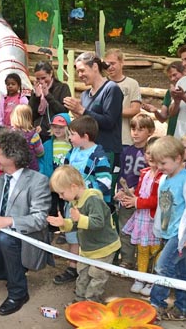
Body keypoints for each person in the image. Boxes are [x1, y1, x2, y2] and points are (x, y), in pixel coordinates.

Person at [0, 130, 51, 316]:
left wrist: (8, 221)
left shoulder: (38, 181)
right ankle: (16, 271)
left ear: (12, 155)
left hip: (27, 240)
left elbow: (40, 220)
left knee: (5, 238)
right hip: (1, 238)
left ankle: (18, 293)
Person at [148, 136, 186, 323]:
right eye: (157, 163)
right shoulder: (165, 178)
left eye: (163, 163)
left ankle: (156, 305)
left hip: (180, 236)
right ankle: (185, 308)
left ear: (178, 158)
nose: (160, 167)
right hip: (168, 232)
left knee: (162, 266)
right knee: (180, 272)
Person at [47, 165, 120, 303]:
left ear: (73, 187)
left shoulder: (93, 200)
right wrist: (63, 223)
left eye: (61, 193)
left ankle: (91, 303)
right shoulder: (76, 201)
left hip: (104, 248)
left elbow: (98, 222)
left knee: (97, 276)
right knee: (83, 273)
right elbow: (76, 224)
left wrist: (79, 218)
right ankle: (79, 300)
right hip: (88, 248)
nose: (61, 197)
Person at [54, 115, 112, 285]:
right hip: (71, 204)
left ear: (85, 136)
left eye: (72, 135)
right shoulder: (72, 152)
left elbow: (105, 182)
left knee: (86, 236)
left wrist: (88, 193)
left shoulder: (98, 157)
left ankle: (87, 270)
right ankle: (73, 266)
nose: (69, 138)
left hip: (88, 207)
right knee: (72, 236)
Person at [116, 137, 162, 296]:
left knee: (155, 251)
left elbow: (158, 200)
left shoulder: (163, 176)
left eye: (153, 153)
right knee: (141, 249)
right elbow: (139, 193)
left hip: (153, 219)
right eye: (147, 153)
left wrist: (137, 202)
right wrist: (126, 195)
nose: (149, 156)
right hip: (141, 217)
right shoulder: (144, 173)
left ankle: (153, 280)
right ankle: (140, 277)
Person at [63, 51, 123, 165]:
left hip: (107, 152)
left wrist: (82, 110)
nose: (80, 75)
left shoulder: (111, 89)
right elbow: (89, 124)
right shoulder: (85, 95)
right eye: (78, 72)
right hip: (88, 153)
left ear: (94, 67)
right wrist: (77, 114)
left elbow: (109, 122)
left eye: (82, 70)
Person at [115, 113, 154, 270]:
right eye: (133, 129)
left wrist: (134, 190)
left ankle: (144, 262)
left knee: (144, 230)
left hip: (142, 198)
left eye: (140, 129)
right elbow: (121, 172)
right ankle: (127, 259)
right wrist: (119, 189)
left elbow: (151, 175)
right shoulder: (126, 151)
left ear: (150, 132)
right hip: (125, 197)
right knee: (125, 229)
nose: (135, 133)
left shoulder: (150, 153)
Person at [38, 113, 72, 230]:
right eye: (55, 127)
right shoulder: (47, 144)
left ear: (67, 128)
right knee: (51, 203)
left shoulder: (71, 145)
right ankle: (52, 227)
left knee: (65, 204)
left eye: (61, 127)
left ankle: (64, 226)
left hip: (66, 181)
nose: (57, 130)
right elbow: (42, 162)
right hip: (51, 180)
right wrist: (44, 176)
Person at [105, 49, 142, 148]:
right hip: (104, 138)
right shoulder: (101, 83)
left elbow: (135, 109)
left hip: (124, 139)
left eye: (113, 63)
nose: (110, 67)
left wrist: (111, 112)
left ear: (122, 63)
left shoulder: (132, 83)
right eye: (107, 64)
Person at [29, 61, 71, 143]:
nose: (41, 81)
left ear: (51, 73)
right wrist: (36, 98)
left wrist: (48, 95)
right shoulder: (36, 90)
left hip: (56, 133)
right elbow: (31, 115)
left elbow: (63, 111)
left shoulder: (62, 87)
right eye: (38, 79)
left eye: (44, 78)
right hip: (38, 133)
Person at [142, 61, 184, 136]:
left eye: (175, 75)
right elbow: (162, 118)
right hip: (172, 133)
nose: (172, 79)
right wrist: (155, 111)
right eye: (170, 77)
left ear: (184, 72)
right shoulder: (169, 93)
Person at [10, 104, 44, 172]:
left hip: (14, 169)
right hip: (31, 171)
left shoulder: (9, 134)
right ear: (29, 118)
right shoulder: (34, 135)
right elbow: (40, 153)